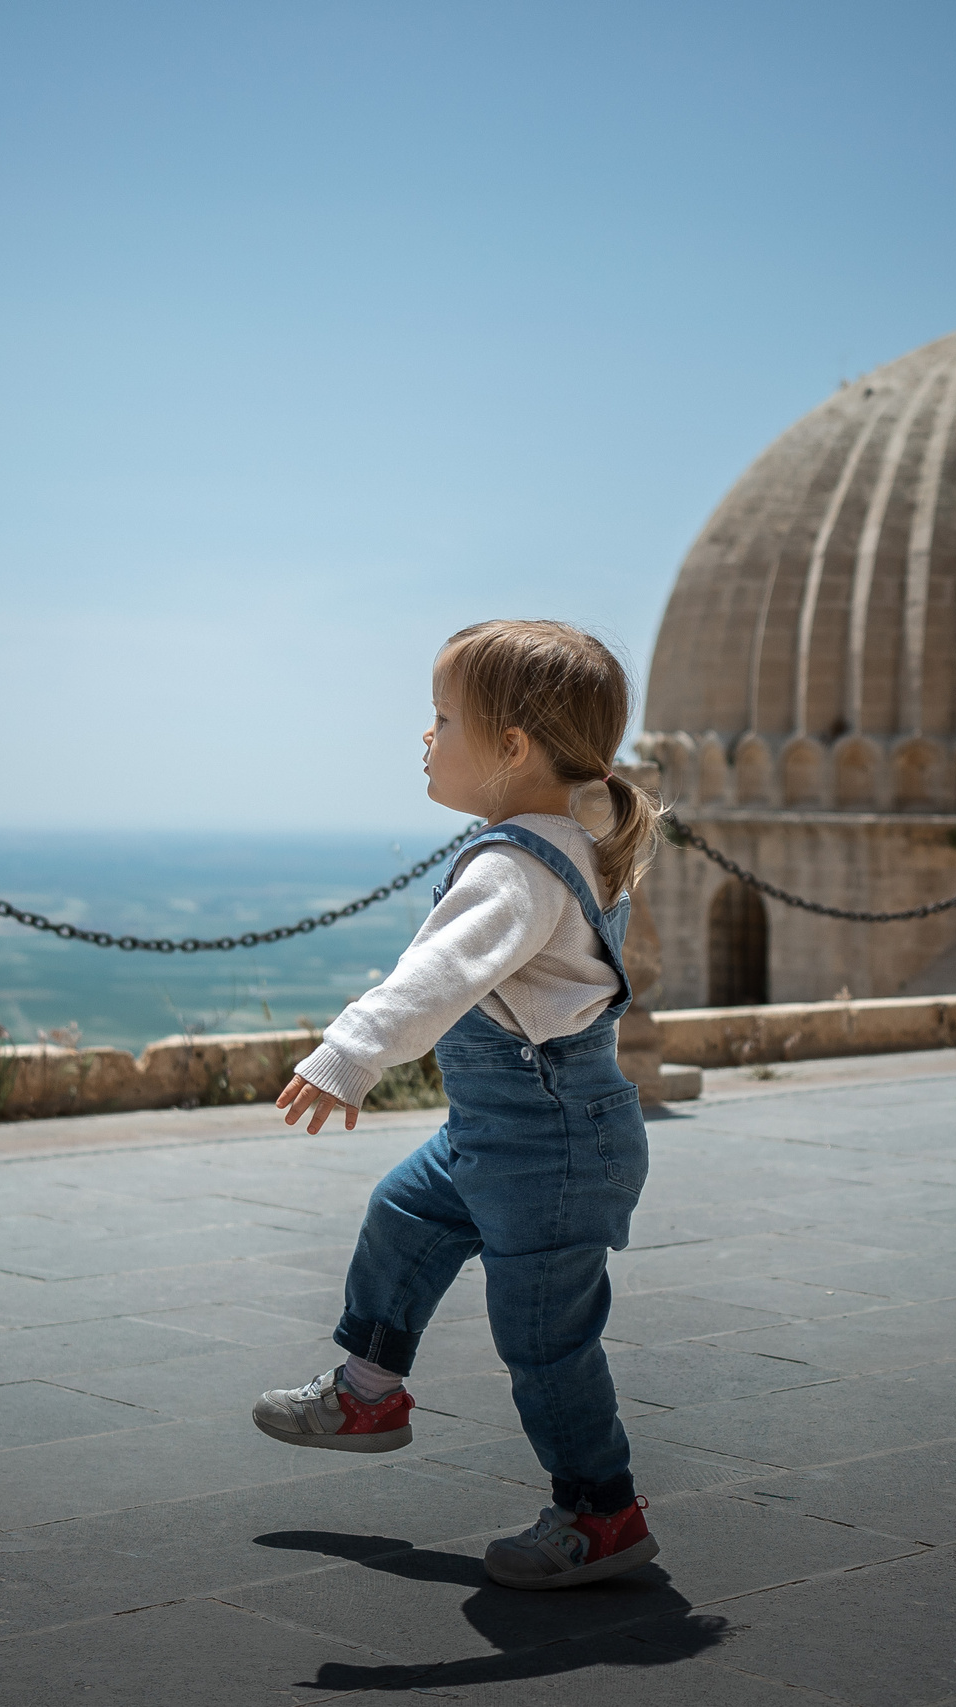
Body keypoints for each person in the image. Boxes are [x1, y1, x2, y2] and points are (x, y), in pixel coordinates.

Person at [251, 618, 663, 1591]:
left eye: (442, 718)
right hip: (506, 1133)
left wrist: (346, 1054)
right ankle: (367, 1394)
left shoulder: (514, 867)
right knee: (404, 1211)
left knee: (544, 1340)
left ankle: (601, 1511)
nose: (425, 737)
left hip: (546, 1147)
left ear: (512, 748)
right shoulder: (564, 832)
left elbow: (434, 977)